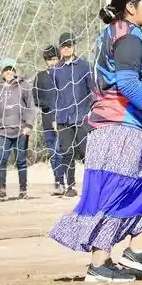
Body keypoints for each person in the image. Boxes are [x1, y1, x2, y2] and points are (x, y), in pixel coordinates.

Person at [50, 0, 142, 283]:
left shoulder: (117, 32)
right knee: (115, 191)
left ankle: (137, 252)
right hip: (117, 126)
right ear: (131, 7)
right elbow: (127, 82)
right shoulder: (128, 37)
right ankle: (99, 263)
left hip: (125, 125)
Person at [51, 31, 95, 197]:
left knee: (86, 152)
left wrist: (91, 112)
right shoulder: (55, 69)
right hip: (63, 118)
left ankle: (92, 186)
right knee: (67, 152)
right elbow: (53, 95)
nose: (67, 48)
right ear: (60, 48)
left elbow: (93, 91)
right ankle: (70, 186)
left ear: (74, 46)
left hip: (82, 117)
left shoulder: (85, 66)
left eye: (69, 45)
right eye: (64, 46)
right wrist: (54, 117)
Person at [0, 58, 35, 200]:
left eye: (11, 69)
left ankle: (23, 191)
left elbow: (31, 106)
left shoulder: (24, 86)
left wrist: (28, 125)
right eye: (6, 70)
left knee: (21, 160)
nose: (9, 72)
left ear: (15, 71)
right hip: (4, 130)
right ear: (2, 72)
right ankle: (2, 190)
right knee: (1, 158)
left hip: (21, 130)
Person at [33, 45, 61, 186]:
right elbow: (35, 97)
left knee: (62, 150)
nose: (52, 62)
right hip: (48, 119)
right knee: (53, 152)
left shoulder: (65, 75)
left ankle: (67, 181)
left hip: (63, 119)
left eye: (55, 59)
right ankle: (58, 180)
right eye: (49, 60)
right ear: (46, 61)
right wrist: (46, 106)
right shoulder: (40, 77)